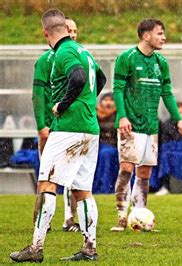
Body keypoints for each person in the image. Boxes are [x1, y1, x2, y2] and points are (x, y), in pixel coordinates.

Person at [10, 9, 106, 262]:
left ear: (45, 32)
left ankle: (36, 248)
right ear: (65, 27)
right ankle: (89, 248)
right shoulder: (82, 50)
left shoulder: (62, 52)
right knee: (82, 191)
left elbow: (78, 76)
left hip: (68, 129)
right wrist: (85, 103)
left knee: (46, 184)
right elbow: (101, 77)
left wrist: (63, 105)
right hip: (90, 129)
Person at [111, 18, 182, 232]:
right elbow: (117, 90)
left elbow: (167, 93)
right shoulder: (126, 58)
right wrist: (122, 117)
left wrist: (178, 119)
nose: (164, 38)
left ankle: (140, 215)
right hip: (130, 125)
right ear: (146, 36)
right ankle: (120, 216)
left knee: (144, 173)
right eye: (160, 33)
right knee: (126, 169)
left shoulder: (161, 62)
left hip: (150, 127)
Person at [31, 16, 81, 233]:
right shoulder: (46, 60)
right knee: (47, 175)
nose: (72, 34)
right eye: (69, 29)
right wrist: (42, 125)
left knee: (73, 176)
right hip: (52, 126)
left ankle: (69, 219)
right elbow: (38, 94)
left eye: (75, 31)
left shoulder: (78, 57)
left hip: (71, 125)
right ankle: (42, 221)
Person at [92, 92, 119, 193]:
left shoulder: (118, 114)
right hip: (97, 144)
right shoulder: (94, 114)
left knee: (106, 155)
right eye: (105, 100)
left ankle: (105, 188)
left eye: (111, 100)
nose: (108, 103)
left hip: (112, 145)